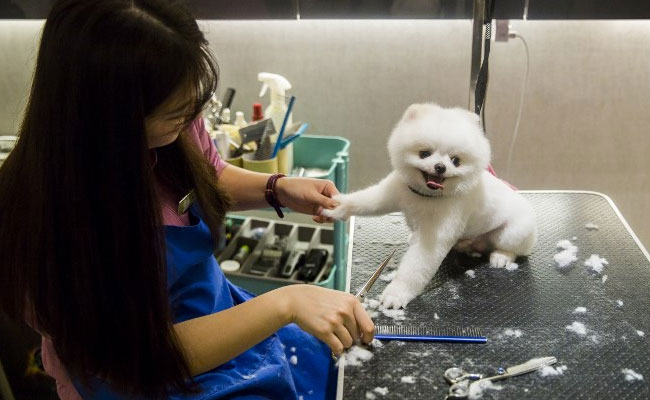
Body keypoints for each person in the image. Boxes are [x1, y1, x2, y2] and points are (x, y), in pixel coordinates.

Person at [0, 0, 374, 398]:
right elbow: (144, 357)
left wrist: (276, 188)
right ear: (108, 115)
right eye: (175, 113)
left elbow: (206, 175)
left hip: (213, 312)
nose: (189, 119)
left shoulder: (172, 119)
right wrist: (284, 303)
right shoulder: (44, 223)